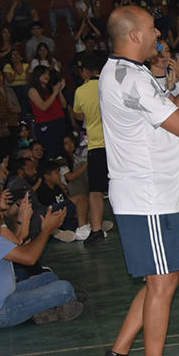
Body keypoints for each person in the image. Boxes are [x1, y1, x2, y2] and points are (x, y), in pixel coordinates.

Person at [93, 5, 179, 356]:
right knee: (164, 281)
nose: (157, 34)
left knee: (161, 278)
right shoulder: (131, 79)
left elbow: (172, 110)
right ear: (133, 36)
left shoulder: (130, 73)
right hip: (145, 196)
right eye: (150, 28)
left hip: (151, 194)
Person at [0, 182, 83, 328]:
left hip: (3, 296)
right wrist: (47, 229)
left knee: (48, 278)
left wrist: (25, 219)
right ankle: (60, 300)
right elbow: (29, 258)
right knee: (63, 289)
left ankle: (49, 307)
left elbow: (18, 248)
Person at [72, 52, 110, 245]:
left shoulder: (81, 91)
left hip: (96, 145)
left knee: (95, 190)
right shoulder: (111, 84)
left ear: (85, 71)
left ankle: (96, 229)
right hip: (118, 144)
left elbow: (78, 116)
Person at [28, 65, 67, 159]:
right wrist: (54, 93)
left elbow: (64, 105)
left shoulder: (50, 88)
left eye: (48, 74)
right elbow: (43, 106)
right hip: (45, 123)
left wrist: (59, 91)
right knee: (51, 151)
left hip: (59, 120)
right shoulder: (33, 90)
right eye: (44, 73)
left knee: (61, 149)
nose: (47, 76)